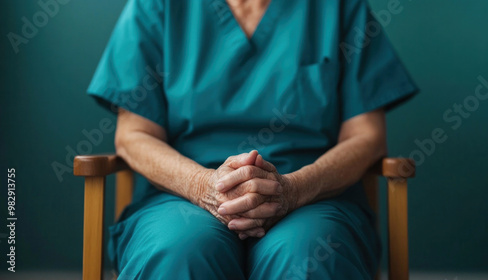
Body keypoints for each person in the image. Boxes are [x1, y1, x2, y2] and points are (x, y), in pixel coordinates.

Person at [87, 0, 418, 279]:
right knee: (181, 251)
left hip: (313, 199)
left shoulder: (337, 7)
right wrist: (202, 185)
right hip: (179, 198)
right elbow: (133, 135)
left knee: (308, 258)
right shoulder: (158, 6)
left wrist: (294, 190)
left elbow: (367, 137)